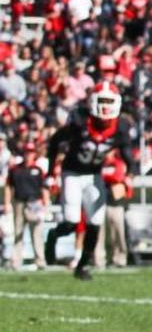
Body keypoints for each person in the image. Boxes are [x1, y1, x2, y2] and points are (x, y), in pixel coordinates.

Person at [45, 81, 133, 280]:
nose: (105, 105)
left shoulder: (120, 126)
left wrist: (130, 176)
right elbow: (55, 142)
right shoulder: (80, 120)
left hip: (94, 174)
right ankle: (54, 235)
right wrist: (51, 172)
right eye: (101, 100)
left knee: (95, 222)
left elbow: (128, 156)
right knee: (71, 222)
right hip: (72, 173)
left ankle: (82, 265)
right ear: (92, 101)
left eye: (109, 101)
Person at [6, 143, 50, 270]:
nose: (28, 155)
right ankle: (16, 261)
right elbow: (9, 186)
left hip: (35, 203)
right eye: (27, 152)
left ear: (34, 154)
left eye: (31, 152)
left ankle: (40, 260)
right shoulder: (15, 169)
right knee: (18, 232)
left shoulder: (38, 170)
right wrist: (8, 203)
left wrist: (46, 205)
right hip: (19, 202)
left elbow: (44, 188)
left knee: (37, 233)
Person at [97, 149, 132, 268]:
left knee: (118, 231)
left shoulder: (119, 163)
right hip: (101, 201)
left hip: (116, 201)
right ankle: (100, 258)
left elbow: (118, 177)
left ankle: (120, 258)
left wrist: (106, 177)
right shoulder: (100, 164)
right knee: (101, 233)